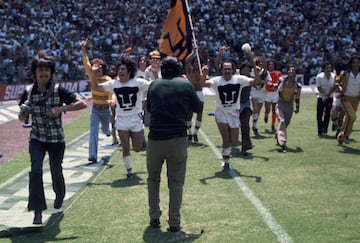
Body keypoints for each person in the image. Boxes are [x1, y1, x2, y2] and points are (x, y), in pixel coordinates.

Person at [18, 53, 87, 225]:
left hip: (56, 139)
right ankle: (37, 210)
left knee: (56, 170)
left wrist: (61, 108)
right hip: (37, 138)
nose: (44, 73)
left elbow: (82, 103)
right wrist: (23, 114)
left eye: (47, 70)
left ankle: (60, 192)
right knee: (35, 171)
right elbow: (22, 119)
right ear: (34, 72)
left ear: (51, 72)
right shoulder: (27, 92)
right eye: (40, 70)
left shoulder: (59, 90)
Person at [146, 56, 202, 232]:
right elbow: (198, 107)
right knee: (176, 183)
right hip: (177, 138)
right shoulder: (185, 85)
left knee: (153, 179)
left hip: (155, 138)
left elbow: (149, 109)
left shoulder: (154, 85)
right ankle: (174, 222)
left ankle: (154, 216)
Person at [202, 45, 261, 170]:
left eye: (229, 69)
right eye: (225, 69)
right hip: (221, 111)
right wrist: (204, 74)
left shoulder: (239, 79)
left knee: (234, 142)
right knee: (225, 138)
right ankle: (226, 161)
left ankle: (226, 155)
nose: (227, 71)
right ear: (221, 70)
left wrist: (256, 71)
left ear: (233, 70)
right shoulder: (217, 80)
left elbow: (255, 82)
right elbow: (203, 83)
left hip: (234, 112)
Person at [100, 57, 151, 180]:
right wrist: (94, 72)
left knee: (138, 148)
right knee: (125, 146)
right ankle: (129, 171)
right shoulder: (114, 83)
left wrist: (155, 73)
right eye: (119, 69)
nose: (120, 71)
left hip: (135, 118)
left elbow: (153, 85)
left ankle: (141, 138)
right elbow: (96, 86)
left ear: (129, 71)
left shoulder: (138, 82)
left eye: (123, 69)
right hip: (121, 119)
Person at [81, 39, 113, 163]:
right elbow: (85, 61)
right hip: (95, 109)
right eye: (94, 66)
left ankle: (109, 130)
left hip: (105, 109)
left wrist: (110, 100)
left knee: (106, 130)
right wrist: (84, 49)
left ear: (103, 69)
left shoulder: (107, 79)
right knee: (93, 132)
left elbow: (110, 93)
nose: (96, 69)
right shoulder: (92, 74)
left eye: (99, 67)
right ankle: (92, 156)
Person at [275, 64, 301, 152]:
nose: (291, 71)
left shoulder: (297, 85)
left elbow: (297, 97)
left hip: (289, 105)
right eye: (290, 70)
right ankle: (283, 144)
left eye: (293, 70)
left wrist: (297, 107)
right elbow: (275, 88)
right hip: (280, 104)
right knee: (282, 121)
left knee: (285, 124)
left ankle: (278, 135)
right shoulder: (281, 80)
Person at [335, 55, 360, 144]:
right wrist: (339, 88)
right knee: (352, 117)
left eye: (357, 62)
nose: (356, 64)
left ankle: (340, 135)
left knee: (348, 118)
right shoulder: (345, 73)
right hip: (345, 98)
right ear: (351, 64)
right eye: (354, 62)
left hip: (356, 99)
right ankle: (345, 135)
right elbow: (336, 82)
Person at [184, 47, 204, 143]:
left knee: (199, 114)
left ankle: (195, 133)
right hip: (191, 93)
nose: (196, 63)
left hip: (200, 93)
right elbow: (186, 61)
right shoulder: (189, 69)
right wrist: (193, 52)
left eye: (197, 62)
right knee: (189, 115)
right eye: (195, 61)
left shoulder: (201, 70)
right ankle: (189, 133)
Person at [250, 56, 271, 136]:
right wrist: (262, 80)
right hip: (254, 92)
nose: (260, 65)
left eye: (262, 63)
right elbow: (253, 81)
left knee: (258, 111)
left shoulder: (266, 73)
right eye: (259, 63)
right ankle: (252, 119)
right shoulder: (253, 71)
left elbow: (268, 81)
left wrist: (265, 82)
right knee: (255, 109)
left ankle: (254, 124)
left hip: (262, 92)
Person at [315, 62, 335, 136]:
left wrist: (327, 95)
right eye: (327, 68)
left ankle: (325, 129)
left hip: (330, 97)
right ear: (324, 69)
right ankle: (319, 130)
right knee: (319, 114)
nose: (329, 69)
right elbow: (319, 87)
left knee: (327, 114)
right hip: (321, 97)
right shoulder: (319, 77)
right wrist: (324, 95)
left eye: (330, 67)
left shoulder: (333, 76)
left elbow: (333, 87)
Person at [238, 62, 254, 156]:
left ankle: (245, 147)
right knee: (233, 126)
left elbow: (260, 78)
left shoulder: (250, 80)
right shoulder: (236, 79)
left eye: (248, 70)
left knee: (245, 125)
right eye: (244, 70)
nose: (246, 72)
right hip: (235, 105)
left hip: (246, 104)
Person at [264, 60, 282, 133]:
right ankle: (266, 115)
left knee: (274, 110)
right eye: (270, 64)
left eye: (272, 64)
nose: (271, 66)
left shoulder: (278, 72)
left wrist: (278, 83)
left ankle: (272, 125)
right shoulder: (266, 73)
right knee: (268, 109)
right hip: (267, 93)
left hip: (275, 93)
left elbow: (281, 79)